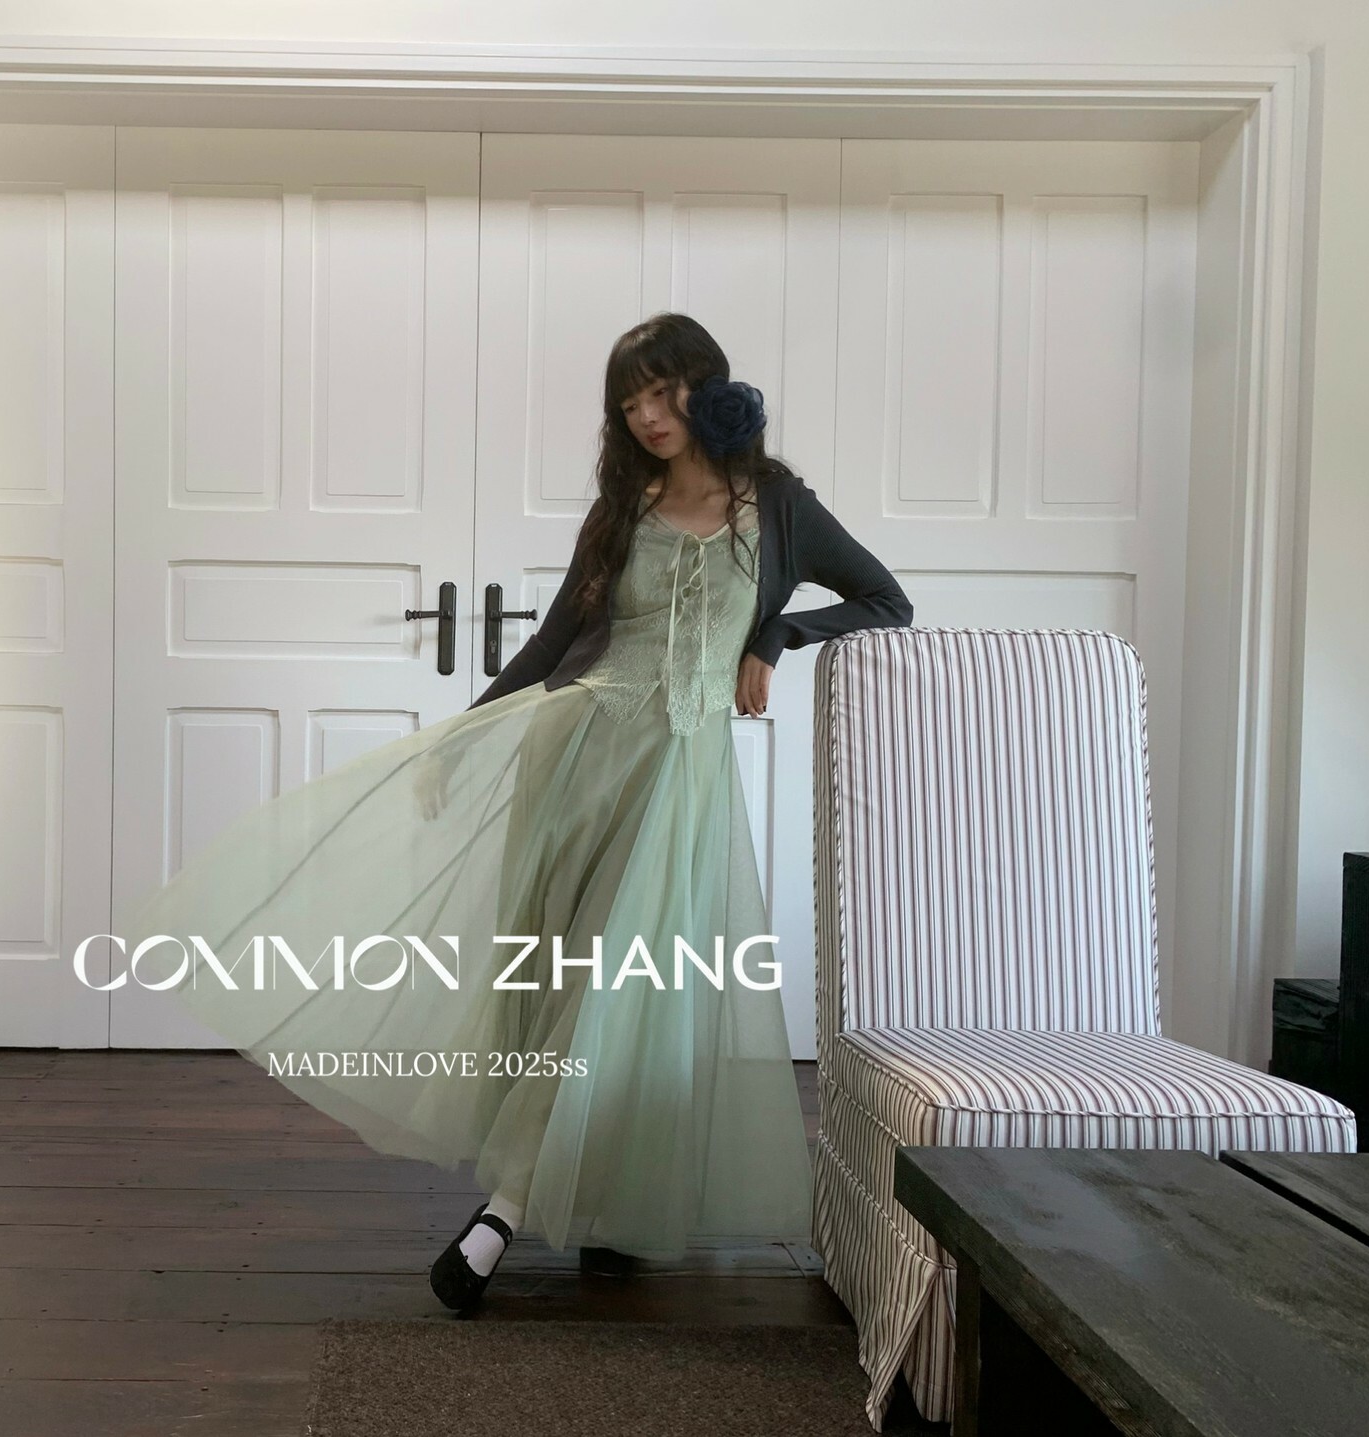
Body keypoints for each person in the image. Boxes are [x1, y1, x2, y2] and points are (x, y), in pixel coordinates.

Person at [111, 312, 914, 1313]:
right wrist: (464, 736)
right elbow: (553, 643)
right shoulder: (623, 511)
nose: (648, 416)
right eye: (629, 400)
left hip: (680, 781)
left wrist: (775, 636)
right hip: (575, 762)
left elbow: (886, 600)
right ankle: (582, 1204)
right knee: (574, 994)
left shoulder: (778, 507)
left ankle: (505, 1215)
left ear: (706, 386)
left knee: (630, 999)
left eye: (662, 391)